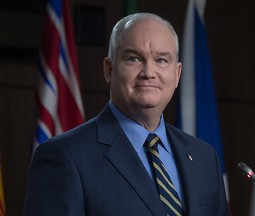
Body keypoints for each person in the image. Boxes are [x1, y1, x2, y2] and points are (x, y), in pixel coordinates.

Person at [24, 12, 230, 216]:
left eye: (161, 60)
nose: (149, 72)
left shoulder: (205, 157)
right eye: (134, 58)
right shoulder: (66, 156)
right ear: (109, 70)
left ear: (177, 75)